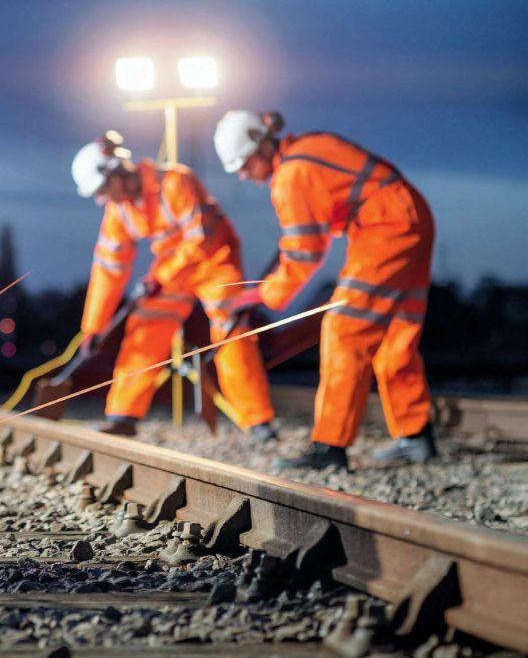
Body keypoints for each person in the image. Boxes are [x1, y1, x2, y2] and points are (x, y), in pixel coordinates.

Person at [214, 110, 436, 470]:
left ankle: (329, 447)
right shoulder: (304, 151)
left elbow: (304, 253)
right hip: (408, 215)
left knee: (344, 328)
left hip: (385, 227)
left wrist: (260, 296)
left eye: (243, 165)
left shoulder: (291, 175)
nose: (243, 175)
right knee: (396, 332)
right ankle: (416, 435)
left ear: (261, 148)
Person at [71, 132, 275, 439]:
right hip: (172, 269)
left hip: (214, 260)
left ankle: (258, 421)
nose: (104, 199)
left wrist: (159, 277)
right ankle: (122, 415)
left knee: (230, 330)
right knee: (144, 327)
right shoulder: (119, 210)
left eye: (103, 190)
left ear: (118, 172)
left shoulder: (175, 181)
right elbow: (108, 269)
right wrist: (94, 327)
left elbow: (200, 239)